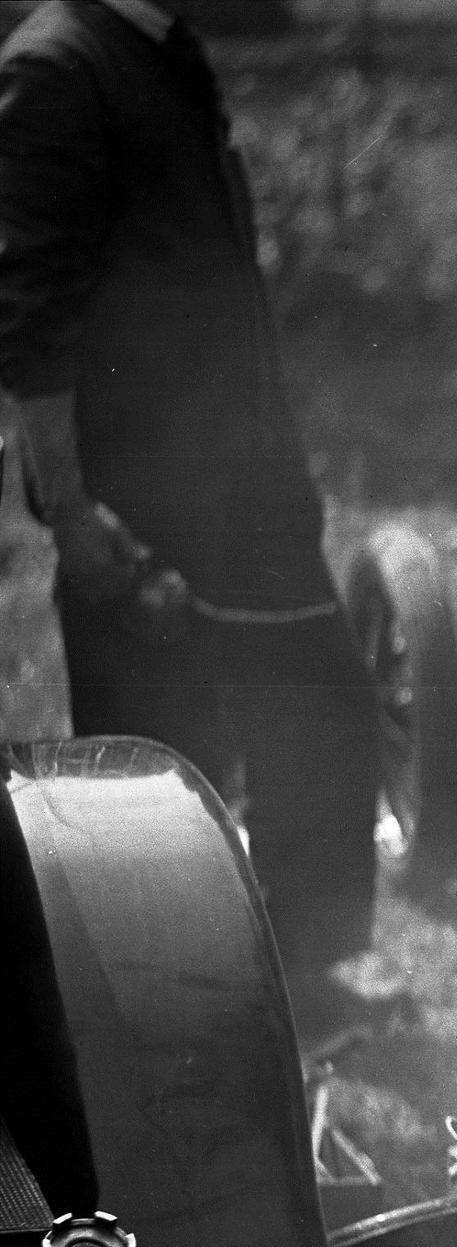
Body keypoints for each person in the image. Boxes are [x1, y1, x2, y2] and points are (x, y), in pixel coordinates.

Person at [0, 0, 387, 1035]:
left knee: (323, 710)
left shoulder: (163, 48)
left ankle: (303, 980)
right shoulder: (59, 67)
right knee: (158, 786)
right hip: (146, 498)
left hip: (243, 478)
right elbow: (32, 326)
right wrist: (73, 514)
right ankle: (183, 1039)